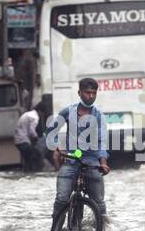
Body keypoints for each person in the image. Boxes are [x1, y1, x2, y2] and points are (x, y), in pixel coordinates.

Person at [47, 77, 110, 222]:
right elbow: (51, 131)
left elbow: (102, 141)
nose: (91, 96)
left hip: (92, 162)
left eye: (94, 93)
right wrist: (56, 148)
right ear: (79, 93)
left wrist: (103, 162)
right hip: (71, 159)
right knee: (62, 198)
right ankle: (56, 228)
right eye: (87, 93)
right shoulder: (68, 112)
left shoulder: (99, 116)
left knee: (99, 204)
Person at [14, 105, 43, 171]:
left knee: (28, 158)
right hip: (23, 140)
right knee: (37, 155)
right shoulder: (35, 117)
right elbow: (31, 130)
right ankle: (36, 172)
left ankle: (27, 173)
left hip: (18, 140)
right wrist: (36, 137)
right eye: (42, 113)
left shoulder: (27, 114)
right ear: (40, 111)